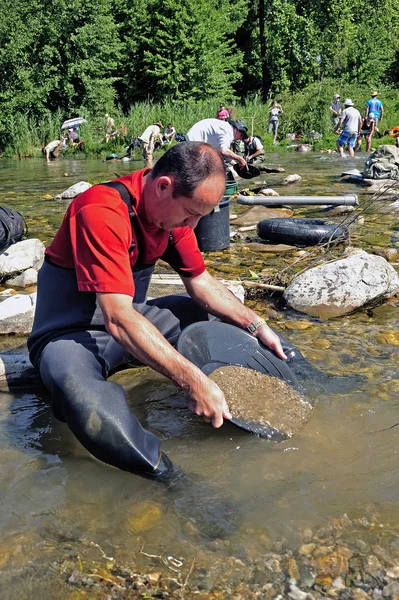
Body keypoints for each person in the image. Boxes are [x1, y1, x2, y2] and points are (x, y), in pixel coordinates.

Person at [27, 142, 286, 480]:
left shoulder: (172, 216)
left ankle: (287, 368)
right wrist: (194, 381)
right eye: (191, 214)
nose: (192, 226)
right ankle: (167, 476)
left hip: (131, 321)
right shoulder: (100, 210)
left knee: (210, 316)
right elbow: (117, 318)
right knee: (79, 394)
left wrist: (257, 326)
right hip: (72, 336)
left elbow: (202, 283)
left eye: (200, 217)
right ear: (163, 186)